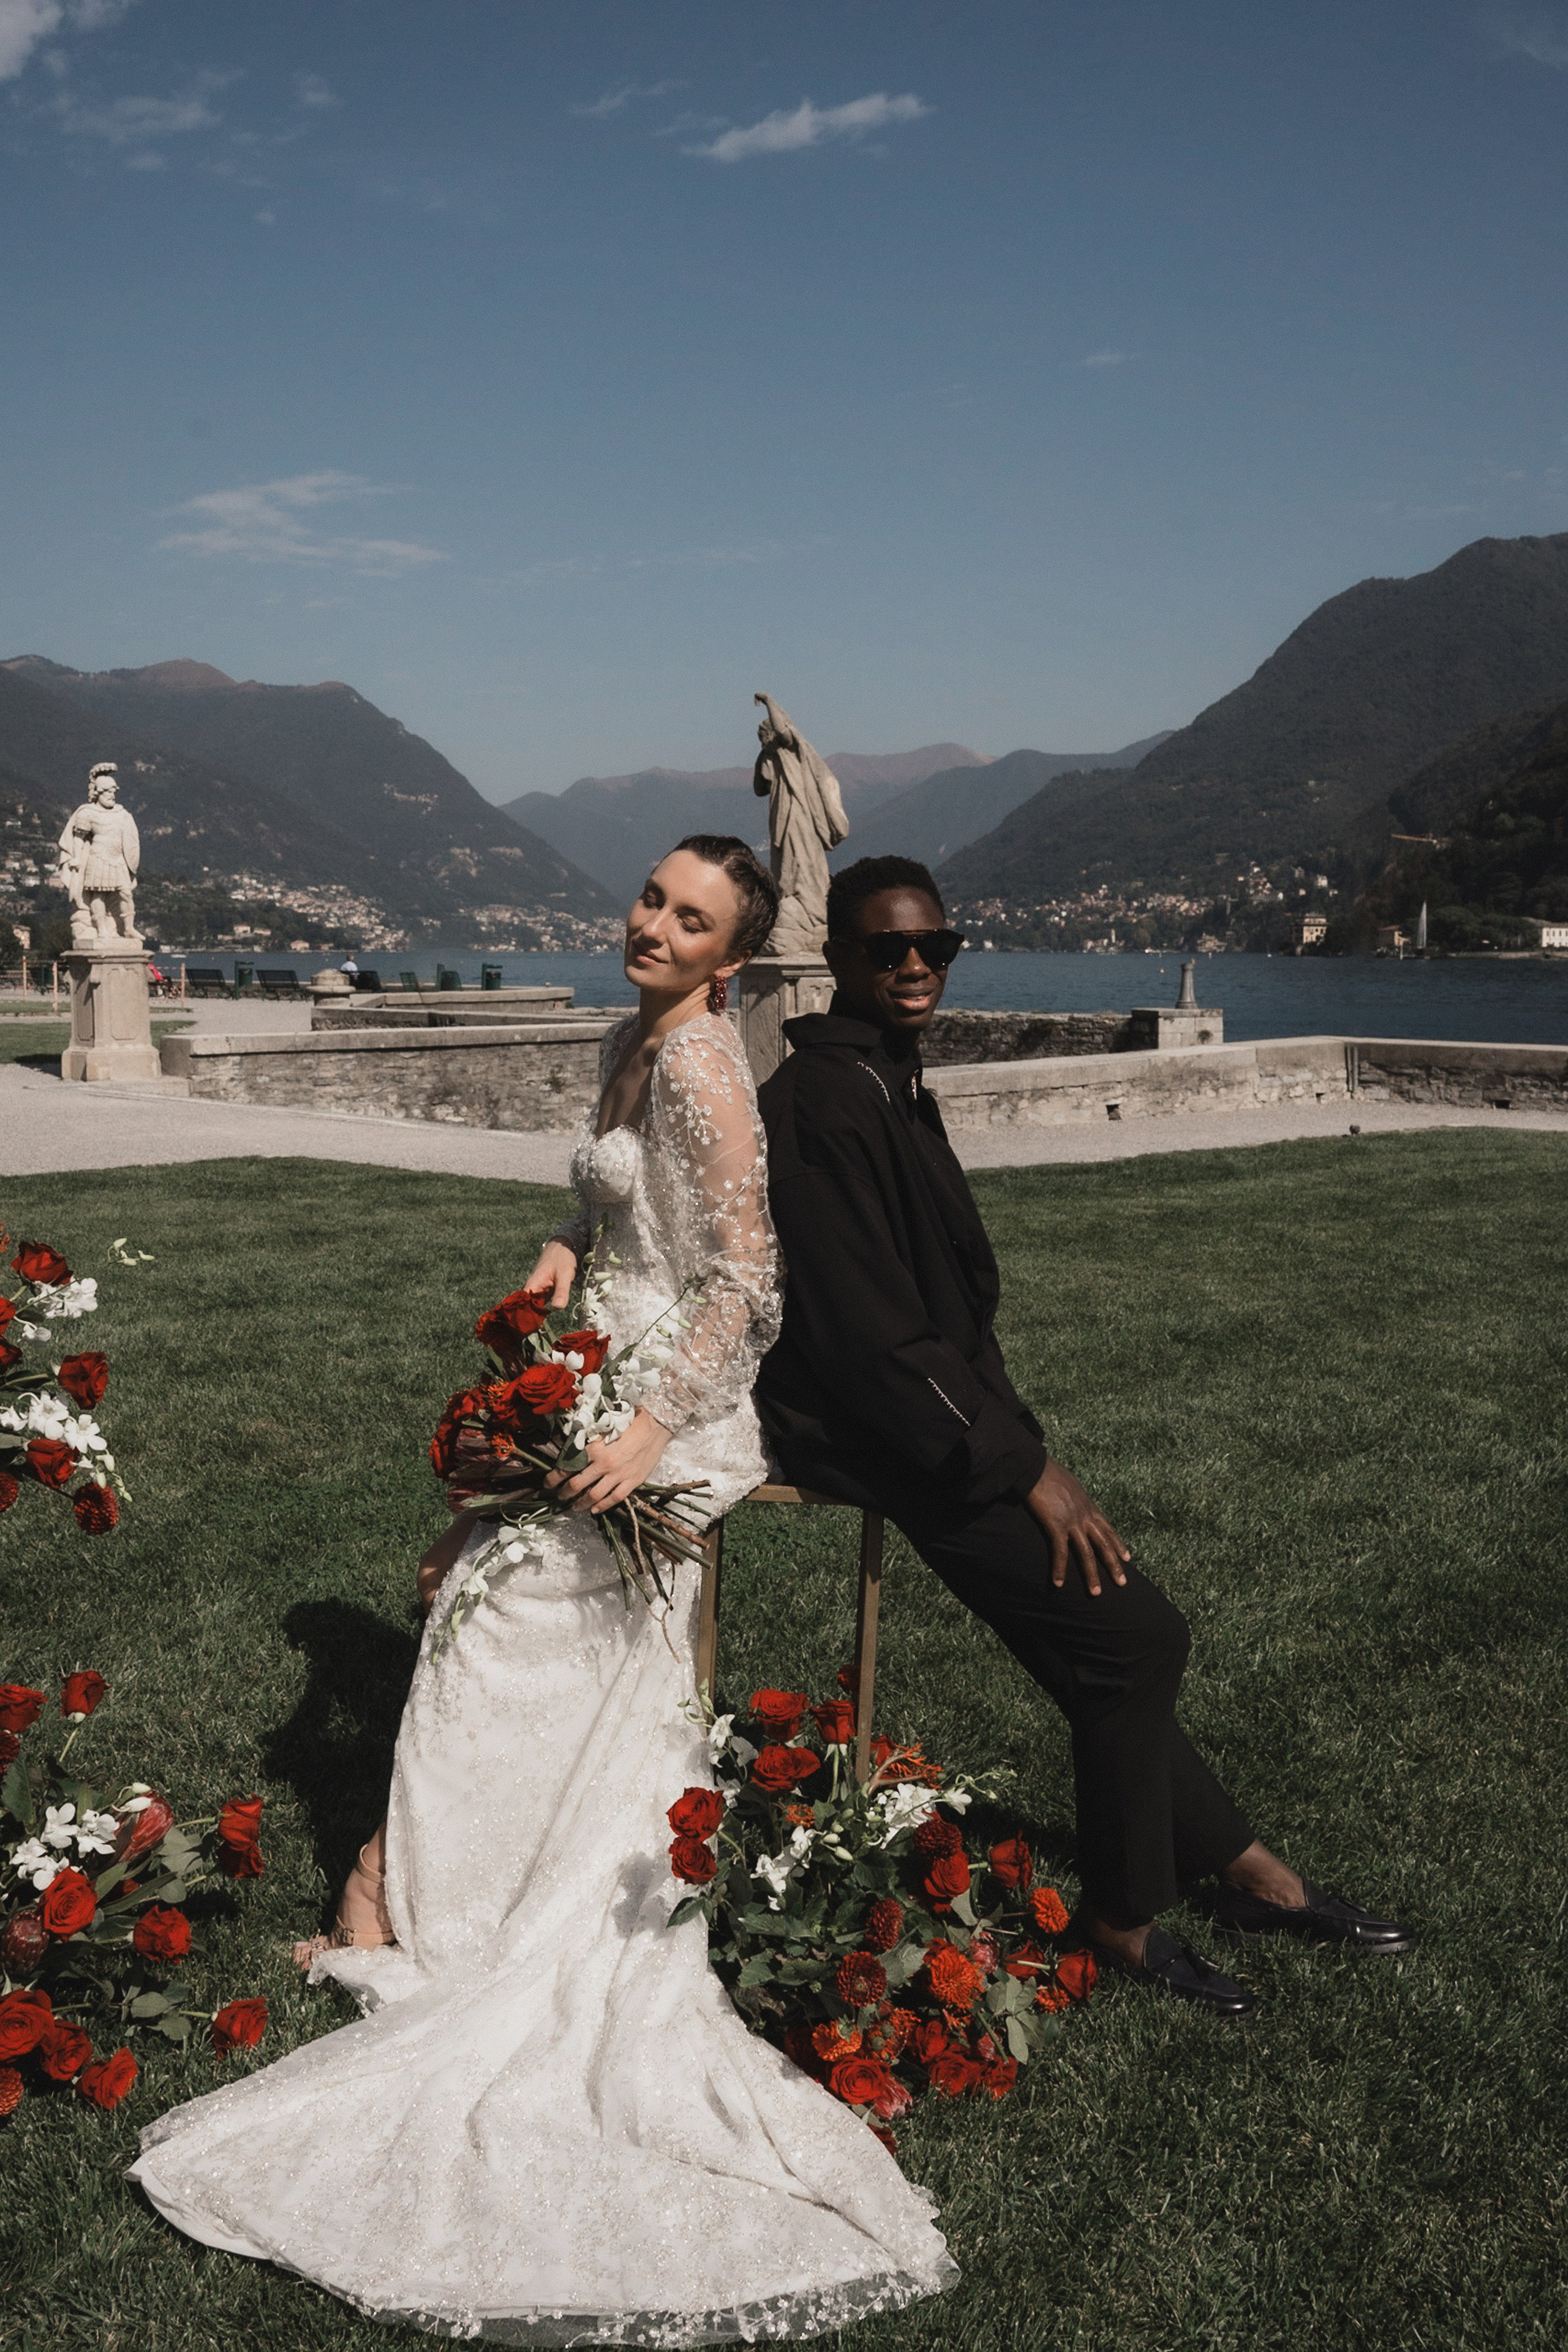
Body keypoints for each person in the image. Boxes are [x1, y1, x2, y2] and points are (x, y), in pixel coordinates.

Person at [129, 834, 955, 2343]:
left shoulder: (706, 1070)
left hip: (673, 1407)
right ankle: (428, 1896)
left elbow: (747, 1285)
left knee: (501, 1602)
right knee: (473, 1596)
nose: (650, 924)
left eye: (687, 918)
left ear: (730, 954)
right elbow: (614, 1207)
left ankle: (446, 1906)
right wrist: (563, 1248)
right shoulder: (620, 1035)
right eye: (649, 899)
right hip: (596, 1368)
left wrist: (642, 1427)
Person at [755, 854, 1412, 2017]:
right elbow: (871, 1335)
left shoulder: (886, 1077)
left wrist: (1020, 1437)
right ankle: (1121, 1919)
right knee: (1136, 1639)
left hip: (949, 1422)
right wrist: (1021, 1465)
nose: (916, 966)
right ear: (839, 961)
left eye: (936, 948)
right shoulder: (822, 1101)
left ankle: (1254, 1876)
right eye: (887, 948)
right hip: (889, 1436)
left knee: (1102, 1651)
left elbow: (946, 1306)